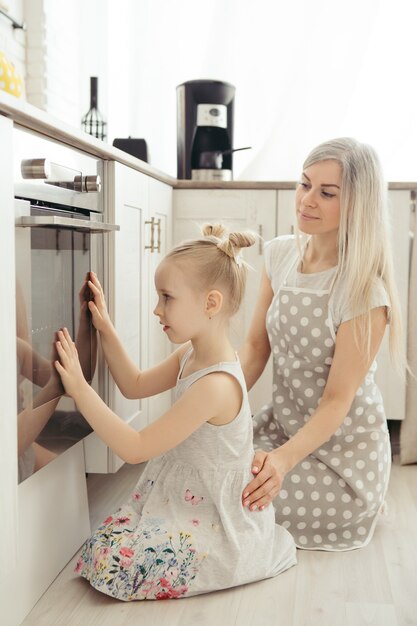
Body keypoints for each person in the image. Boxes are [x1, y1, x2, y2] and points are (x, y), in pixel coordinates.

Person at [54, 224, 297, 601]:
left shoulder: (215, 385)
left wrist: (80, 390)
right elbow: (134, 383)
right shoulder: (190, 354)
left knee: (115, 563)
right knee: (104, 549)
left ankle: (233, 557)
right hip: (186, 496)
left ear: (210, 303)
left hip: (215, 517)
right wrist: (104, 327)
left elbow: (135, 448)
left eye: (167, 297)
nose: (157, 308)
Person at [239, 137, 404, 551]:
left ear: (356, 205)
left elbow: (336, 402)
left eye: (327, 193)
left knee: (234, 493)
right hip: (282, 429)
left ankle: (363, 504)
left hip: (343, 461)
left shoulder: (364, 291)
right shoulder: (279, 256)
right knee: (203, 464)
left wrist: (279, 462)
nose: (307, 200)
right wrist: (213, 406)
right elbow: (256, 350)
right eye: (304, 184)